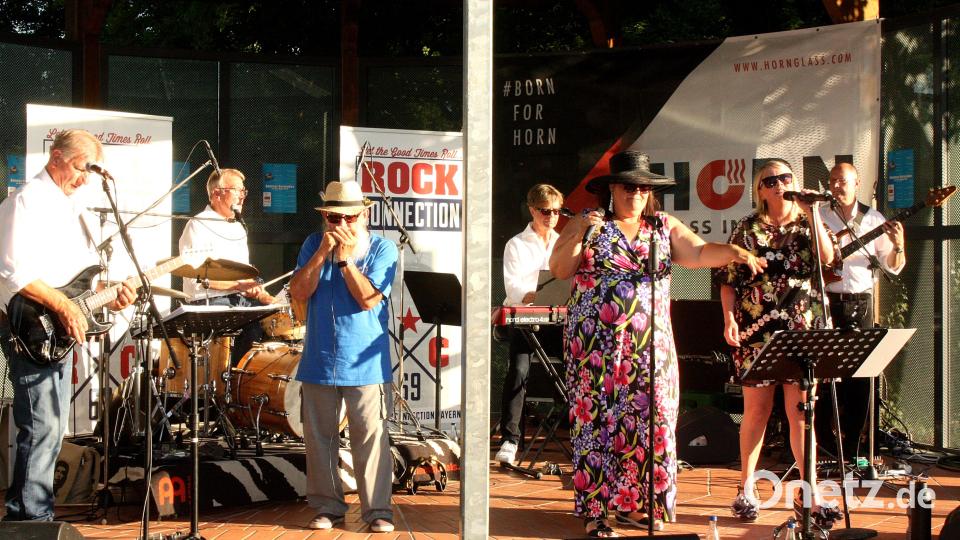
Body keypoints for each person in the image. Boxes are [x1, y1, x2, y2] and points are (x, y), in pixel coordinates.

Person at [550, 151, 765, 537]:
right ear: (612, 189)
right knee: (597, 425)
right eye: (629, 186)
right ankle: (595, 512)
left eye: (643, 187)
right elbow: (560, 268)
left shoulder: (663, 226)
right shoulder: (592, 224)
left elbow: (698, 253)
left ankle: (636, 506)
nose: (636, 193)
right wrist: (580, 230)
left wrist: (732, 251)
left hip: (651, 346)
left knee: (650, 425)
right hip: (595, 346)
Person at [0, 129, 135, 521]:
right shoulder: (24, 201)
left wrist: (110, 291)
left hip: (56, 331)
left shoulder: (72, 208)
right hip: (30, 326)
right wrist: (62, 306)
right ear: (56, 157)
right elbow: (14, 272)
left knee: (53, 428)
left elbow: (76, 281)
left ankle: (31, 512)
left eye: (90, 172)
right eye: (80, 168)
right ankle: (30, 518)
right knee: (41, 425)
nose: (84, 178)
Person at [715, 158, 842, 528]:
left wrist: (812, 213)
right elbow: (727, 278)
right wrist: (728, 320)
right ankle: (746, 488)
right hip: (757, 329)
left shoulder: (807, 223)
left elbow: (829, 258)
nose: (778, 185)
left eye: (785, 178)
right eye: (770, 180)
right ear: (760, 189)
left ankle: (810, 492)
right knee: (757, 409)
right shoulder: (748, 229)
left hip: (804, 328)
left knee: (803, 410)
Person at [289, 180, 397, 533]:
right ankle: (327, 507)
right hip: (319, 359)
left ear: (364, 215)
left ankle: (378, 510)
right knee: (319, 440)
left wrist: (346, 261)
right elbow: (299, 292)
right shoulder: (311, 244)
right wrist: (322, 254)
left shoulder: (383, 249)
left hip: (366, 365)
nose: (341, 225)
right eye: (333, 218)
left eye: (349, 218)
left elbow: (368, 299)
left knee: (371, 439)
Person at [814, 162, 905, 460]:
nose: (837, 185)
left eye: (843, 180)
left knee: (860, 379)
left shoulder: (873, 219)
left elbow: (891, 265)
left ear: (857, 183)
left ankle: (853, 448)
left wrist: (898, 246)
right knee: (824, 378)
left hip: (860, 304)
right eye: (833, 180)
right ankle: (825, 447)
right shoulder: (819, 216)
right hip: (826, 302)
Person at [495, 183, 565, 465]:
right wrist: (532, 293)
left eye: (557, 212)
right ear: (533, 210)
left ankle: (584, 431)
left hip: (558, 318)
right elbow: (512, 288)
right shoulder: (516, 243)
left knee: (580, 365)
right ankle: (511, 440)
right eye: (546, 211)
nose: (551, 217)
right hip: (526, 318)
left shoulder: (563, 242)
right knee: (519, 369)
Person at [178, 168, 273, 365]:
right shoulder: (198, 225)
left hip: (238, 300)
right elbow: (198, 279)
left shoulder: (238, 227)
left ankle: (246, 384)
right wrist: (238, 286)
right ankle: (232, 381)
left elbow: (244, 275)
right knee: (250, 326)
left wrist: (259, 291)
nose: (241, 196)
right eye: (236, 190)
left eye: (243, 191)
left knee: (271, 317)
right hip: (210, 303)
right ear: (216, 193)